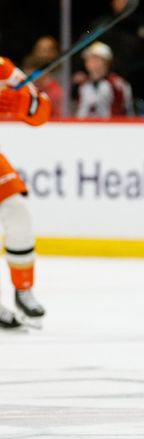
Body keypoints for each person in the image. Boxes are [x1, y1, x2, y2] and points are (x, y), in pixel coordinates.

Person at [0, 56, 51, 329]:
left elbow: (42, 110)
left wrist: (23, 104)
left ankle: (24, 290)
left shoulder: (2, 67)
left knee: (18, 211)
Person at [75, 42, 133, 119]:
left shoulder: (117, 83)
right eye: (89, 58)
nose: (91, 61)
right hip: (85, 125)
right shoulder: (83, 85)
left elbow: (126, 110)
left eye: (96, 58)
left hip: (112, 125)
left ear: (106, 61)